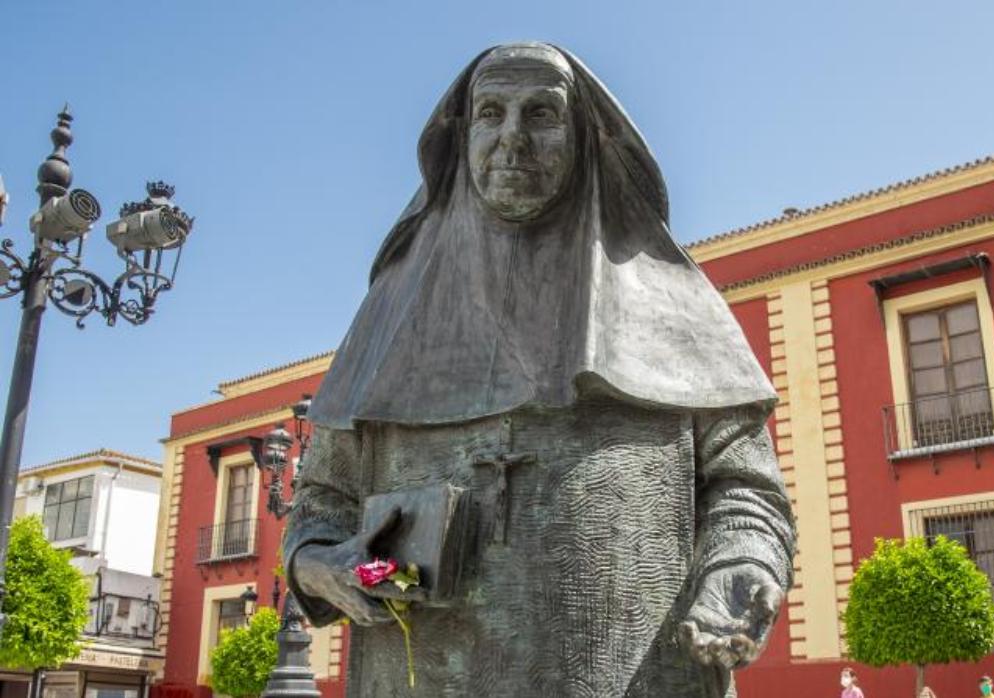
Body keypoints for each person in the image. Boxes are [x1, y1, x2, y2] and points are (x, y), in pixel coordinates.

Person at [283, 42, 795, 697]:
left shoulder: (677, 310)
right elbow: (321, 507)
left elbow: (745, 490)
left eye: (542, 114)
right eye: (490, 113)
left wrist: (742, 560)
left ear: (584, 138)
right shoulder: (387, 316)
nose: (512, 139)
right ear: (462, 137)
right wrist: (324, 565)